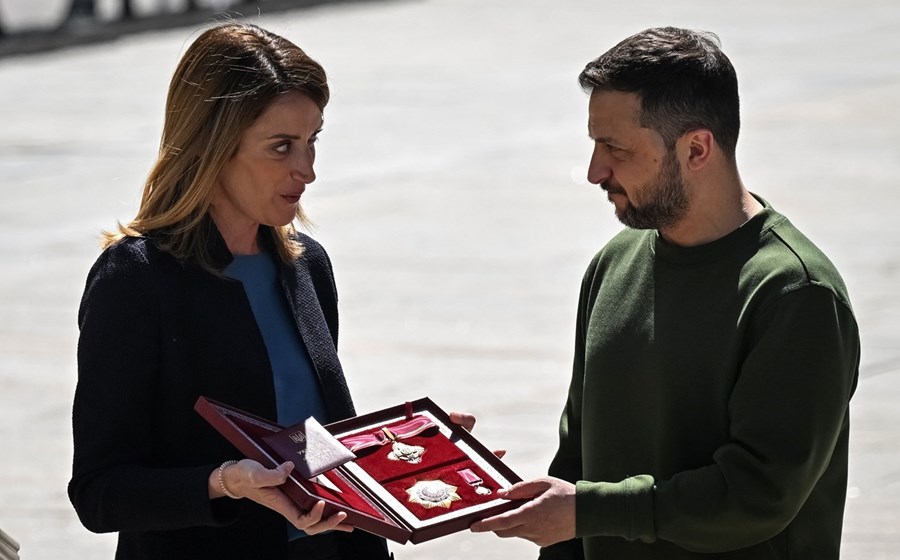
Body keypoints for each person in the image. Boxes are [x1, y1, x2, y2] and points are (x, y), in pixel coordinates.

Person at [471, 27, 860, 559]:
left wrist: (591, 511)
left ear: (697, 147)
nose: (594, 172)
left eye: (616, 148)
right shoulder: (614, 263)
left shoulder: (795, 294)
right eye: (593, 144)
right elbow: (577, 462)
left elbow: (757, 495)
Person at [68, 23, 392, 560]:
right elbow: (100, 494)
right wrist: (224, 482)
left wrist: (408, 447)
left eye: (312, 141)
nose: (307, 169)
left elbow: (306, 440)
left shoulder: (306, 264)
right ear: (212, 147)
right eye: (281, 147)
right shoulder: (134, 279)